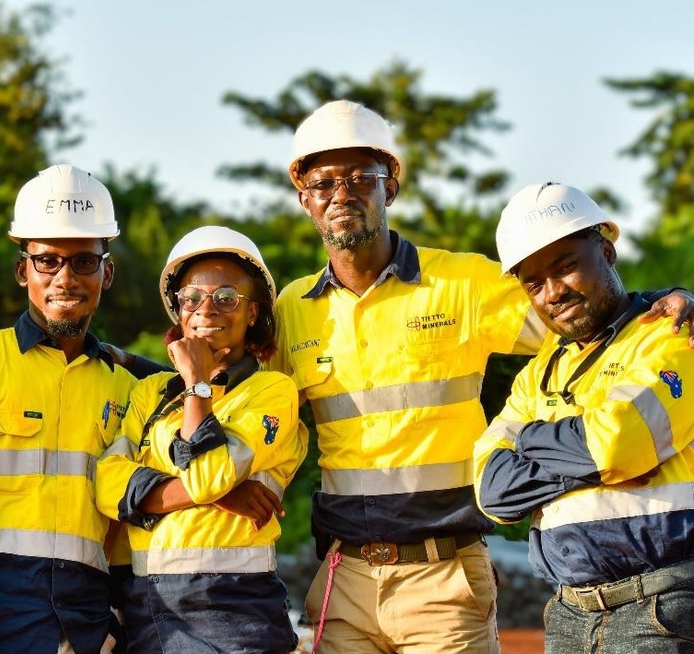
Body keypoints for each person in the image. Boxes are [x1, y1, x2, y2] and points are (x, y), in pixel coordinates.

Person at [270, 99, 694, 653]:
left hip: (444, 574)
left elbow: (580, 314)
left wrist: (669, 301)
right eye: (324, 182)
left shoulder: (463, 283)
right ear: (305, 199)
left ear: (389, 187)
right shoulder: (291, 308)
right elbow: (267, 417)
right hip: (345, 576)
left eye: (360, 177)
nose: (342, 193)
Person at [0, 164, 140, 654]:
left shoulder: (127, 388)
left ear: (107, 271)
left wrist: (120, 621)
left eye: (83, 262)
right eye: (48, 261)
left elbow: (124, 535)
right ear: (23, 270)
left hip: (89, 622)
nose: (65, 278)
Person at [474, 182, 694, 654]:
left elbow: (617, 444)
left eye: (567, 266)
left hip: (663, 608)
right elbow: (491, 488)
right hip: (569, 614)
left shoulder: (672, 337)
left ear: (608, 251)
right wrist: (593, 460)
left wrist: (529, 440)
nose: (553, 293)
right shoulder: (540, 371)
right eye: (534, 283)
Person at [96, 225, 308, 654]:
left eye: (226, 298)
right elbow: (106, 485)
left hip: (237, 612)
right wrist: (216, 496)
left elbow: (208, 474)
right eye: (191, 298)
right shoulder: (150, 392)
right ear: (178, 310)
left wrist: (196, 383)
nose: (205, 309)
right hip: (150, 611)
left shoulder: (271, 392)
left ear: (252, 313)